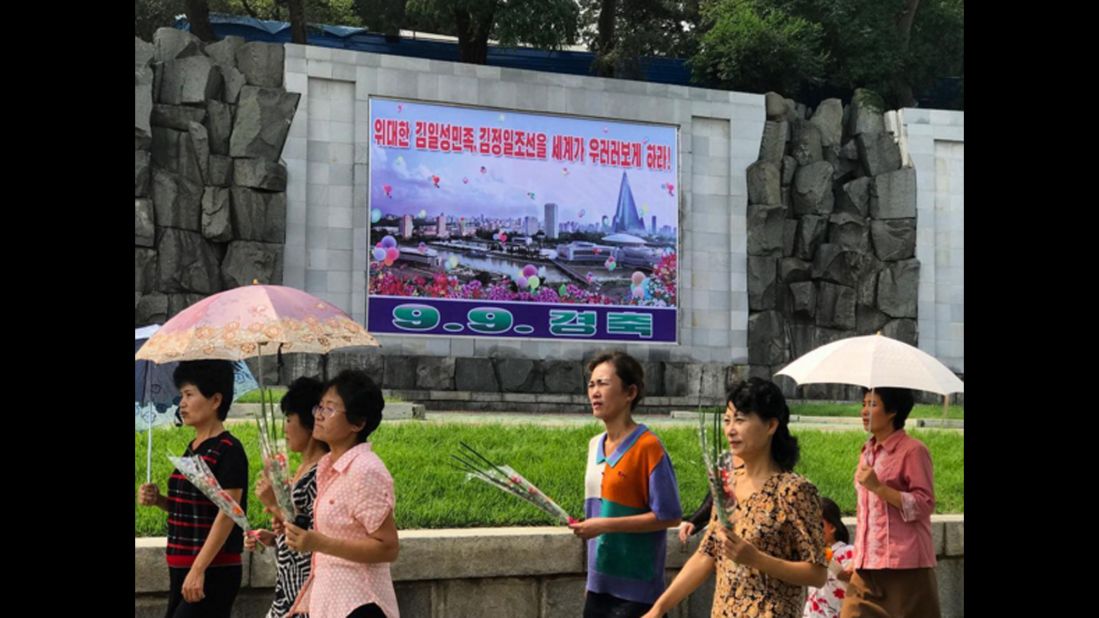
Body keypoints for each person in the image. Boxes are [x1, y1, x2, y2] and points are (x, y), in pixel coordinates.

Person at [643, 377, 826, 618]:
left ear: (771, 425)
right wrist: (658, 608)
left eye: (740, 420)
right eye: (727, 420)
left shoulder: (794, 491)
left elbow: (817, 574)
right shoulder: (727, 482)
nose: (730, 430)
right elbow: (706, 554)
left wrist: (757, 559)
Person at [569, 351, 683, 618]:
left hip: (638, 592)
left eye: (603, 384)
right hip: (599, 587)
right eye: (591, 384)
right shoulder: (594, 444)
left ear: (630, 392)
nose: (595, 392)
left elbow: (669, 515)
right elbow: (596, 511)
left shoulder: (648, 447)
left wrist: (604, 525)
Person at [138, 360, 249, 618]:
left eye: (189, 394)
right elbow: (194, 505)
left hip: (213, 568)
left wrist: (199, 569)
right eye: (181, 396)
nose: (182, 404)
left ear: (216, 400)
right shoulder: (193, 446)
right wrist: (159, 500)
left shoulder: (229, 450)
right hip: (181, 564)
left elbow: (227, 514)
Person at [284, 370, 400, 618]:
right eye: (320, 407)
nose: (320, 416)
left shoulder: (365, 470)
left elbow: (388, 547)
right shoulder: (328, 466)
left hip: (359, 603)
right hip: (330, 602)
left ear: (357, 424)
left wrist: (319, 543)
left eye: (331, 409)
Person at [840, 388, 940, 617]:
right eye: (864, 404)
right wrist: (858, 556)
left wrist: (880, 488)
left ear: (893, 411)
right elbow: (866, 513)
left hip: (905, 567)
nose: (864, 411)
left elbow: (924, 504)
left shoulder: (913, 451)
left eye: (872, 404)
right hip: (866, 569)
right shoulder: (866, 452)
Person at [244, 377, 327, 618]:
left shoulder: (320, 473)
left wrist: (273, 503)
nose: (285, 429)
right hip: (286, 594)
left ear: (310, 423)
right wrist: (271, 538)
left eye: (289, 420)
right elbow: (294, 530)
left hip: (305, 597)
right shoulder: (301, 470)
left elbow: (313, 540)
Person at [804, 497, 855, 618]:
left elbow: (852, 580)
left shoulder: (848, 552)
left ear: (832, 528)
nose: (811, 530)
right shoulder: (810, 554)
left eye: (817, 524)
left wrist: (829, 562)